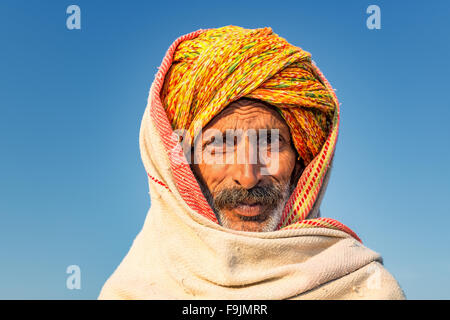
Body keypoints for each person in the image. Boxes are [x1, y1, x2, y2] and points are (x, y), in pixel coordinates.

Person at [99, 26, 405, 299]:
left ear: (302, 161)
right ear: (182, 166)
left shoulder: (364, 289)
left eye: (270, 143)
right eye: (218, 145)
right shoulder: (131, 293)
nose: (248, 177)